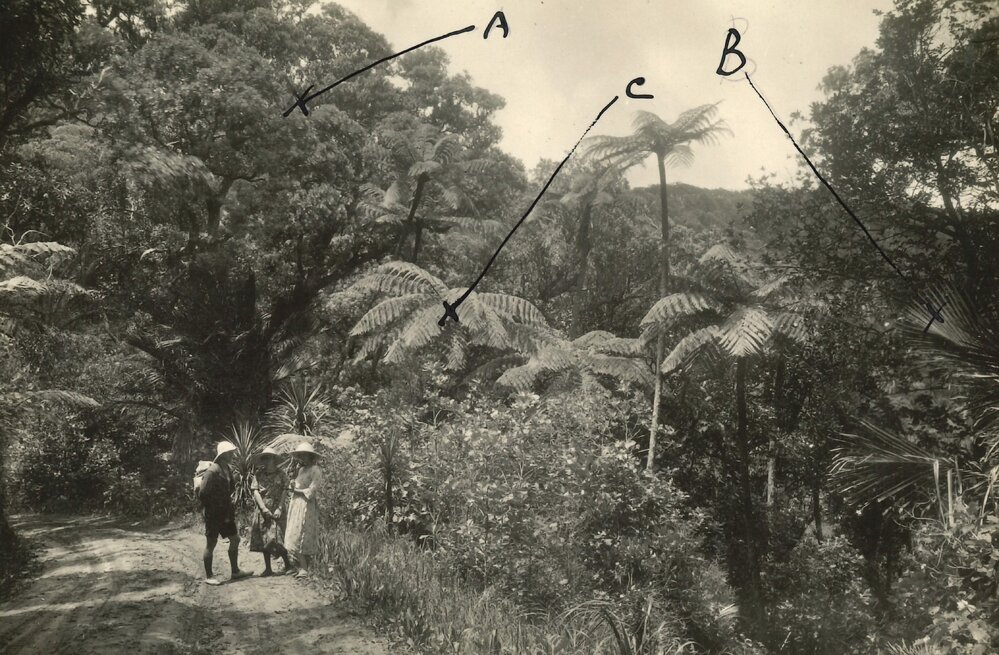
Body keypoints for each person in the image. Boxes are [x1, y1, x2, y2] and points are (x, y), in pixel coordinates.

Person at [198, 441, 252, 585]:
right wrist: (211, 506)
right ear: (223, 454)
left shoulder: (227, 469)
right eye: (230, 453)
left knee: (235, 539)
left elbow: (231, 488)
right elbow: (203, 493)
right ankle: (209, 576)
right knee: (211, 543)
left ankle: (235, 571)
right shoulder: (212, 471)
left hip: (226, 512)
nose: (232, 455)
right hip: (214, 513)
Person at [249, 447, 293, 576]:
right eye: (265, 458)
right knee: (264, 537)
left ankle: (288, 565)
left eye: (270, 458)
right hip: (263, 508)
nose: (267, 460)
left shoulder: (281, 474)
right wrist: (263, 508)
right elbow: (255, 491)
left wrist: (280, 507)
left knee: (278, 537)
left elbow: (285, 490)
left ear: (274, 459)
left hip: (277, 508)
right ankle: (268, 568)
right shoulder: (259, 474)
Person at [283, 442, 322, 579]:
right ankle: (298, 565)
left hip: (306, 505)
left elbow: (311, 491)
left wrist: (295, 490)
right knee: (293, 532)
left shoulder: (315, 470)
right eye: (301, 455)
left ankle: (305, 568)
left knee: (302, 533)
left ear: (311, 456)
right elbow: (298, 485)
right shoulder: (301, 470)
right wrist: (293, 485)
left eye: (305, 455)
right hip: (296, 503)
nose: (303, 458)